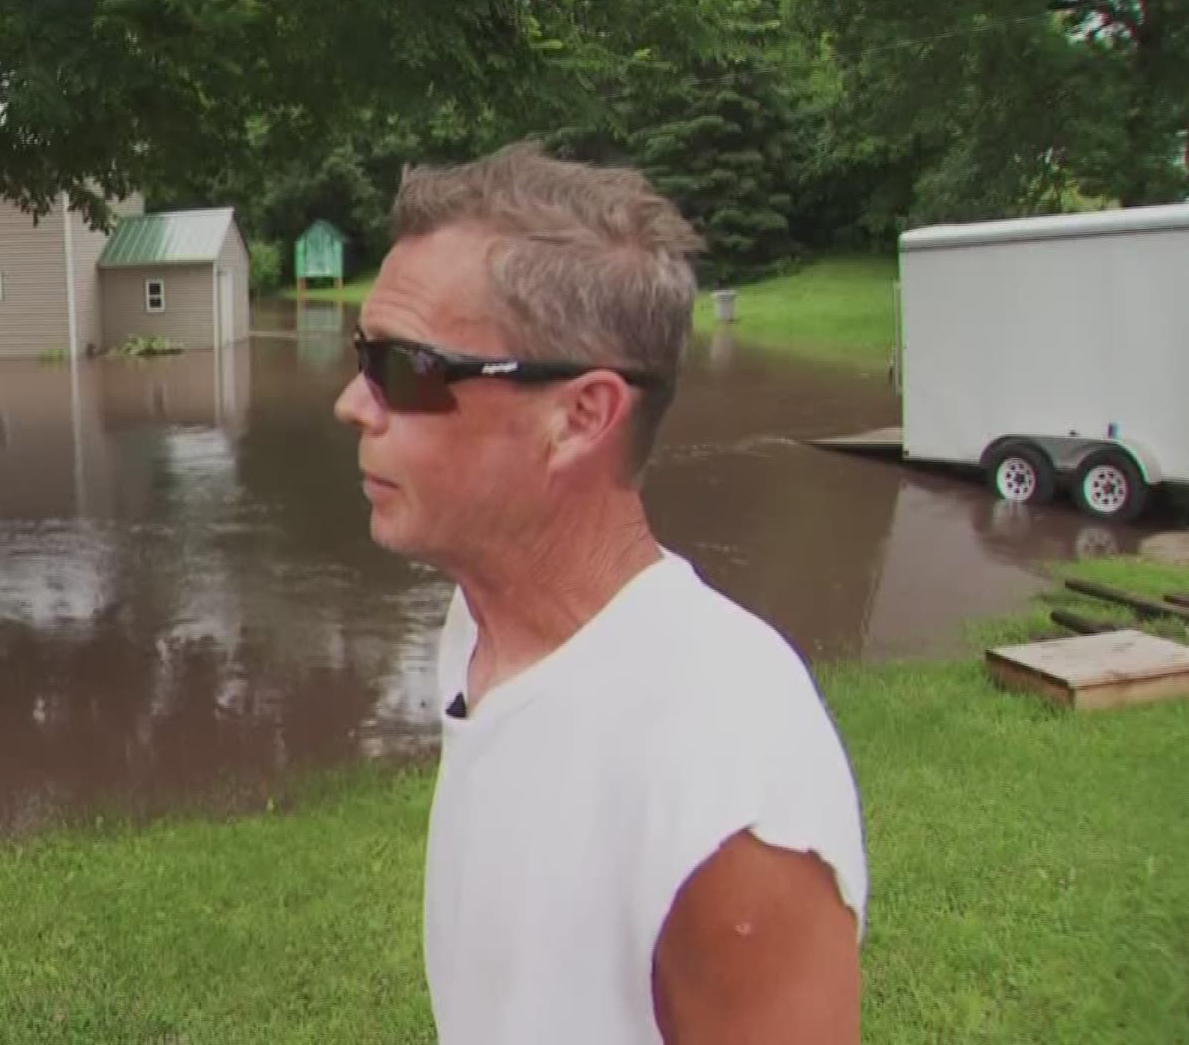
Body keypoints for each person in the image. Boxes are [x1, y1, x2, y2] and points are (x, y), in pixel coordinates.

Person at [332, 142, 866, 1044]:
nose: (354, 402)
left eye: (405, 368)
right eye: (363, 355)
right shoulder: (481, 621)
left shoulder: (727, 792)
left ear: (581, 416)